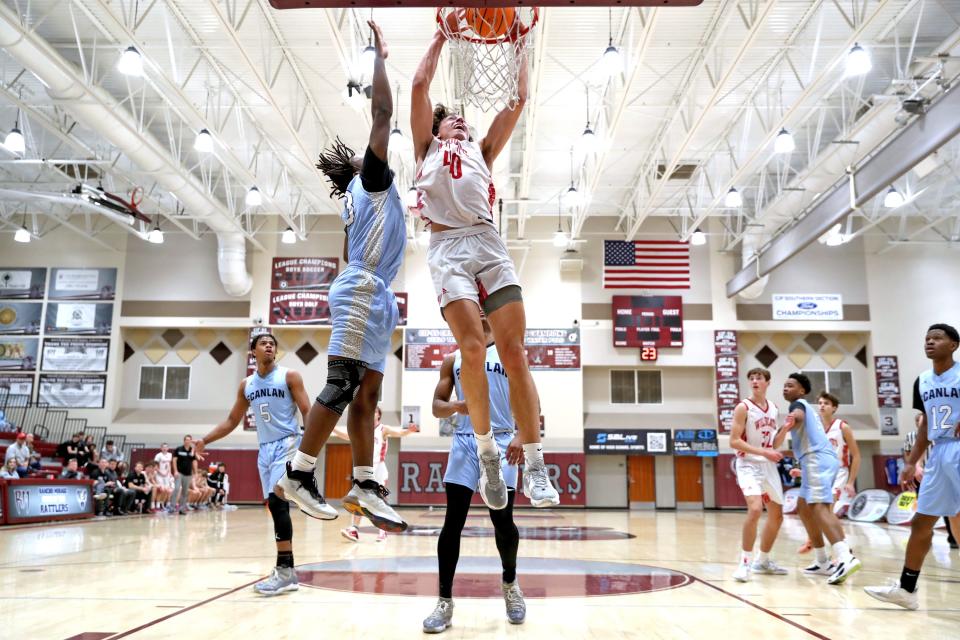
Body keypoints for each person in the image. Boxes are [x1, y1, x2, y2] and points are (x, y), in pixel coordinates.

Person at [411, 13, 558, 510]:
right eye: (451, 118)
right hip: (447, 247)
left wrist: (522, 47)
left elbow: (519, 100)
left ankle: (536, 464)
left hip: (489, 242)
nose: (461, 121)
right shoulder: (425, 149)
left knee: (514, 353)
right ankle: (487, 453)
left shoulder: (483, 150)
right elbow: (418, 83)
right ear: (437, 126)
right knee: (471, 351)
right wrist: (440, 35)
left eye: (462, 119)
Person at [278, 21, 409, 534]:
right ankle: (299, 472)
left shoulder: (366, 200)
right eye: (365, 153)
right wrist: (380, 56)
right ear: (359, 169)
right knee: (343, 383)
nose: (372, 149)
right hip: (363, 288)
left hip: (376, 293)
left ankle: (364, 484)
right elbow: (383, 112)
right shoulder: (371, 180)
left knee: (370, 394)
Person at [422, 316, 525, 633]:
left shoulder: (509, 353)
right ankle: (444, 602)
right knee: (453, 522)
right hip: (465, 443)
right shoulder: (453, 358)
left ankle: (510, 584)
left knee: (502, 520)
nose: (479, 311)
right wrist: (457, 406)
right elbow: (437, 406)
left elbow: (528, 398)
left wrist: (524, 435)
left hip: (503, 439)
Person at [195, 332, 312, 597]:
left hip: (289, 442)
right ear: (253, 352)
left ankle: (285, 571)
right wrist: (205, 440)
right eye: (263, 343)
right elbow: (231, 420)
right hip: (265, 449)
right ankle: (287, 571)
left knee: (279, 501)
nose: (269, 345)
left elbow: (308, 411)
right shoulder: (246, 384)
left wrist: (310, 449)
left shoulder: (289, 376)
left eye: (272, 343)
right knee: (274, 505)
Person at [866, 324, 960, 609]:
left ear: (954, 345)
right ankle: (907, 590)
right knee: (922, 521)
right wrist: (910, 462)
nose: (930, 342)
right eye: (927, 338)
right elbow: (926, 424)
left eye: (938, 338)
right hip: (938, 451)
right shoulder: (922, 381)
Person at [781, 373, 861, 584]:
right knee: (803, 507)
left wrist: (787, 425)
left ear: (802, 391)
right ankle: (822, 560)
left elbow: (796, 416)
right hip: (815, 461)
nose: (785, 388)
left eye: (791, 385)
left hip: (818, 460)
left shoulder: (798, 405)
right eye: (784, 386)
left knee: (819, 508)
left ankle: (845, 557)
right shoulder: (812, 413)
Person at [728, 368, 789, 582]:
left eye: (759, 378)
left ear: (767, 383)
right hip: (748, 464)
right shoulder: (743, 407)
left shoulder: (774, 408)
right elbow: (734, 441)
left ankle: (762, 561)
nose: (755, 381)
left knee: (777, 515)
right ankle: (744, 562)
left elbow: (775, 443)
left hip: (768, 466)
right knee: (754, 510)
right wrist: (764, 452)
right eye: (751, 378)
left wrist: (785, 429)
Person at [337, 407, 419, 543]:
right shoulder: (363, 429)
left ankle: (383, 531)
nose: (372, 413)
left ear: (379, 415)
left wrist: (408, 431)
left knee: (381, 499)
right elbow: (346, 436)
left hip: (379, 469)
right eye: (371, 410)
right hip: (364, 469)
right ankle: (354, 529)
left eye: (375, 411)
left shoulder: (383, 429)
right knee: (359, 501)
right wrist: (331, 428)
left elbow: (398, 433)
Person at [797, 392, 862, 553]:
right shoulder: (814, 428)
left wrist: (851, 481)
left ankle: (842, 549)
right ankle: (822, 544)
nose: (822, 405)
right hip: (819, 473)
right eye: (820, 403)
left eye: (826, 403)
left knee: (826, 510)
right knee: (814, 511)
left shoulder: (842, 427)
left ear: (834, 408)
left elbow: (857, 455)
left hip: (838, 472)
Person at [172, 435, 199, 515]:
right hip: (179, 473)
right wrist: (175, 471)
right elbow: (174, 460)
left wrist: (196, 472)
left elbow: (194, 462)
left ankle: (182, 509)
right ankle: (172, 507)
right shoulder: (178, 449)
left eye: (189, 440)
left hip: (188, 474)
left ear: (191, 441)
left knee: (185, 492)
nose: (187, 441)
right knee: (176, 489)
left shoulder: (192, 451)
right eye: (186, 440)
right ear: (184, 441)